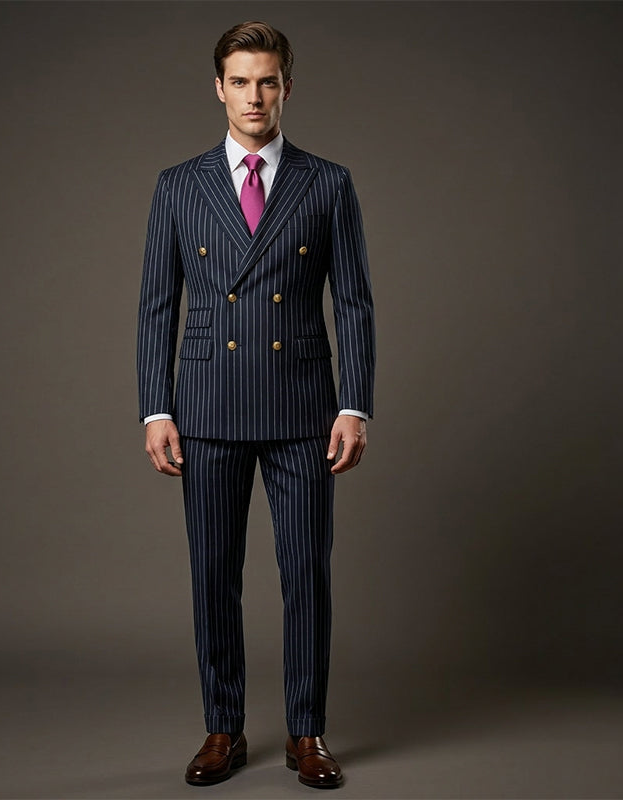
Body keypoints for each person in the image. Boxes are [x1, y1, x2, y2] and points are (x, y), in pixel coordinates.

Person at [137, 20, 375, 789]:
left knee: (306, 574)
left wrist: (355, 404)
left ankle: (307, 732)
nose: (254, 96)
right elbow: (157, 307)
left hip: (304, 409)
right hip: (206, 408)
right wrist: (155, 409)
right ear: (219, 88)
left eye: (267, 81)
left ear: (287, 88)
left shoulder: (327, 182)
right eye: (240, 81)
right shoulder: (179, 185)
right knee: (214, 574)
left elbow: (355, 304)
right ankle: (223, 728)